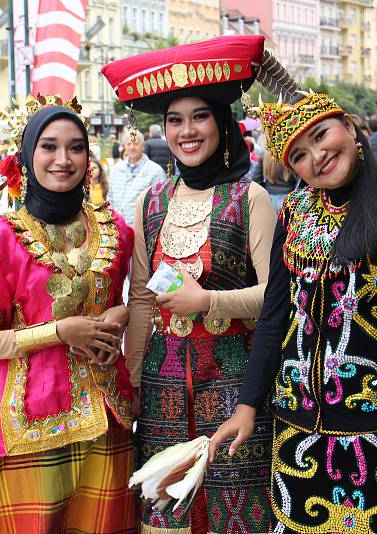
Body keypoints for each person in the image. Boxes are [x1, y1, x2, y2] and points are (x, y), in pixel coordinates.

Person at [210, 87, 377, 532]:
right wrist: (247, 405)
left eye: (321, 135)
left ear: (351, 129)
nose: (316, 156)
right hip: (295, 425)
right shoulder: (294, 211)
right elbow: (276, 316)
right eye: (299, 155)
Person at [103, 34, 276, 533]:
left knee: (235, 512)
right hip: (164, 384)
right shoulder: (151, 201)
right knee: (167, 512)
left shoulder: (252, 198)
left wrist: (209, 300)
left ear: (221, 124)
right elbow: (139, 297)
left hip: (236, 383)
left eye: (199, 116)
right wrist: (134, 379)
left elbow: (276, 298)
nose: (187, 131)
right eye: (174, 120)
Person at [0, 99, 136, 533]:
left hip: (108, 417)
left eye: (75, 147)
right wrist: (59, 331)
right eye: (49, 147)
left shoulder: (114, 230)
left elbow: (131, 301)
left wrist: (120, 315)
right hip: (33, 419)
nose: (63, 159)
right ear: (28, 155)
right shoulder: (3, 238)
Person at [107, 130, 165, 226]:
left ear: (143, 146)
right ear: (124, 146)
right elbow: (110, 198)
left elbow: (160, 205)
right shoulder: (116, 170)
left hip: (141, 230)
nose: (132, 147)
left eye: (135, 143)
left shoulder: (156, 171)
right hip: (118, 229)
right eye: (128, 144)